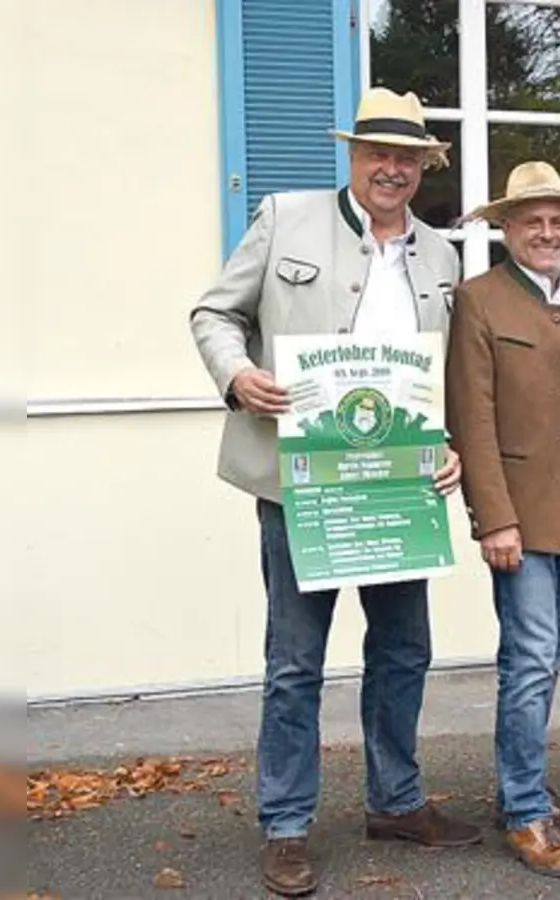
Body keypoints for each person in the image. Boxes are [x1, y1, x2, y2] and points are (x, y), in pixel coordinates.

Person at [189, 87, 482, 897]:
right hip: (299, 481)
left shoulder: (441, 253)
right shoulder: (286, 217)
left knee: (404, 652)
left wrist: (448, 444)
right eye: (377, 153)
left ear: (425, 167)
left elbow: (444, 370)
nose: (392, 169)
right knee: (295, 662)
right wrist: (239, 375)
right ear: (352, 156)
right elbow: (213, 314)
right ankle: (286, 823)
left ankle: (395, 800)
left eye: (408, 157)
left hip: (398, 485)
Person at [445, 161, 560, 879]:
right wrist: (492, 517)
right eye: (532, 222)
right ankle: (528, 813)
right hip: (519, 510)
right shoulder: (480, 300)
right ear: (506, 229)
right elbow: (471, 414)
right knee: (527, 660)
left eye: (559, 222)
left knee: (552, 656)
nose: (548, 233)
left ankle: (520, 789)